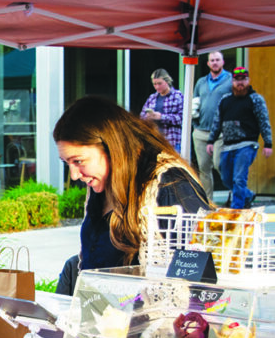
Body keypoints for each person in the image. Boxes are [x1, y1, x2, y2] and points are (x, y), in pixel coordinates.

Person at [53, 96, 211, 296]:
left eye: (78, 161)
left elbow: (201, 280)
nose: (74, 175)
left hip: (149, 324)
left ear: (112, 148)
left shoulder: (170, 183)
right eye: (66, 163)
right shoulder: (100, 185)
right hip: (101, 320)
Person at [206, 66, 273, 209]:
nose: (240, 83)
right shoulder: (225, 100)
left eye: (244, 80)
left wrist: (268, 143)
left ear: (248, 81)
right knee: (225, 178)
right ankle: (247, 194)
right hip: (227, 145)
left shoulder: (255, 99)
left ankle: (237, 209)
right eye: (237, 80)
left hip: (246, 145)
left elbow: (264, 121)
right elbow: (217, 122)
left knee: (238, 178)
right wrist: (211, 140)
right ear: (232, 81)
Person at [190, 52, 232, 200]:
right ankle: (208, 202)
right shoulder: (201, 82)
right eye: (212, 60)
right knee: (203, 169)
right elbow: (194, 103)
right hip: (201, 131)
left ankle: (237, 193)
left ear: (223, 62)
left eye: (217, 60)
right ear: (207, 63)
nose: (215, 63)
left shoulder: (230, 80)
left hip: (221, 132)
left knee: (219, 164)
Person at [139, 69, 185, 151]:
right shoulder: (152, 98)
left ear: (167, 82)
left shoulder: (177, 96)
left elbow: (182, 119)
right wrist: (148, 117)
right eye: (154, 84)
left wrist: (161, 117)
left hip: (172, 141)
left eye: (159, 83)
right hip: (155, 140)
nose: (157, 87)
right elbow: (141, 117)